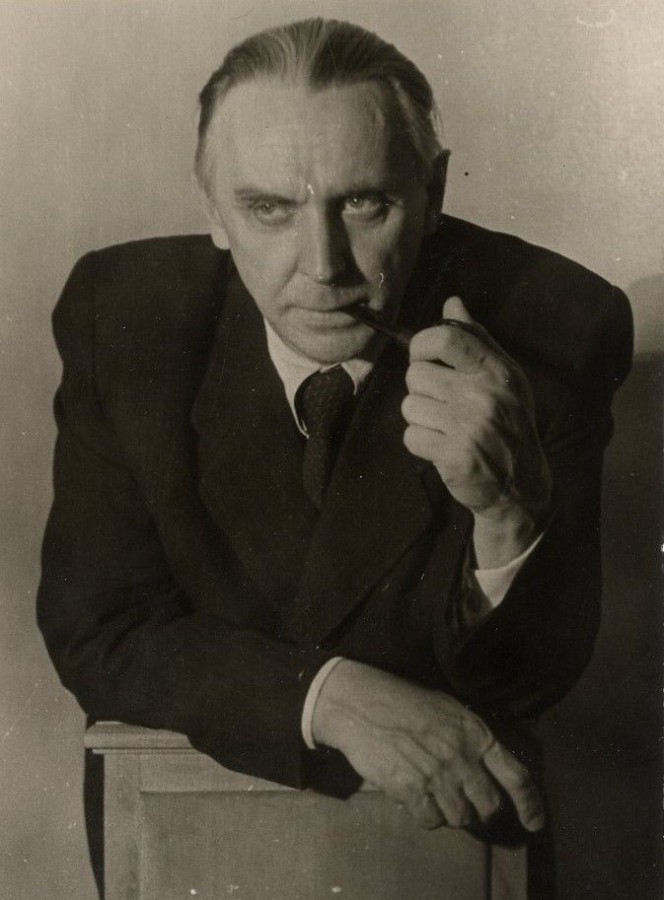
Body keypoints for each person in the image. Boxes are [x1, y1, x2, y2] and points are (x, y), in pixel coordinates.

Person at [38, 16, 632, 859]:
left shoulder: (556, 326)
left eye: (364, 203)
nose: (323, 266)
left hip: (436, 848)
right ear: (212, 210)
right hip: (187, 833)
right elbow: (100, 628)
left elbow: (526, 684)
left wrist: (508, 512)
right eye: (268, 209)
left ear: (434, 192)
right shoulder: (124, 315)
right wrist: (331, 698)